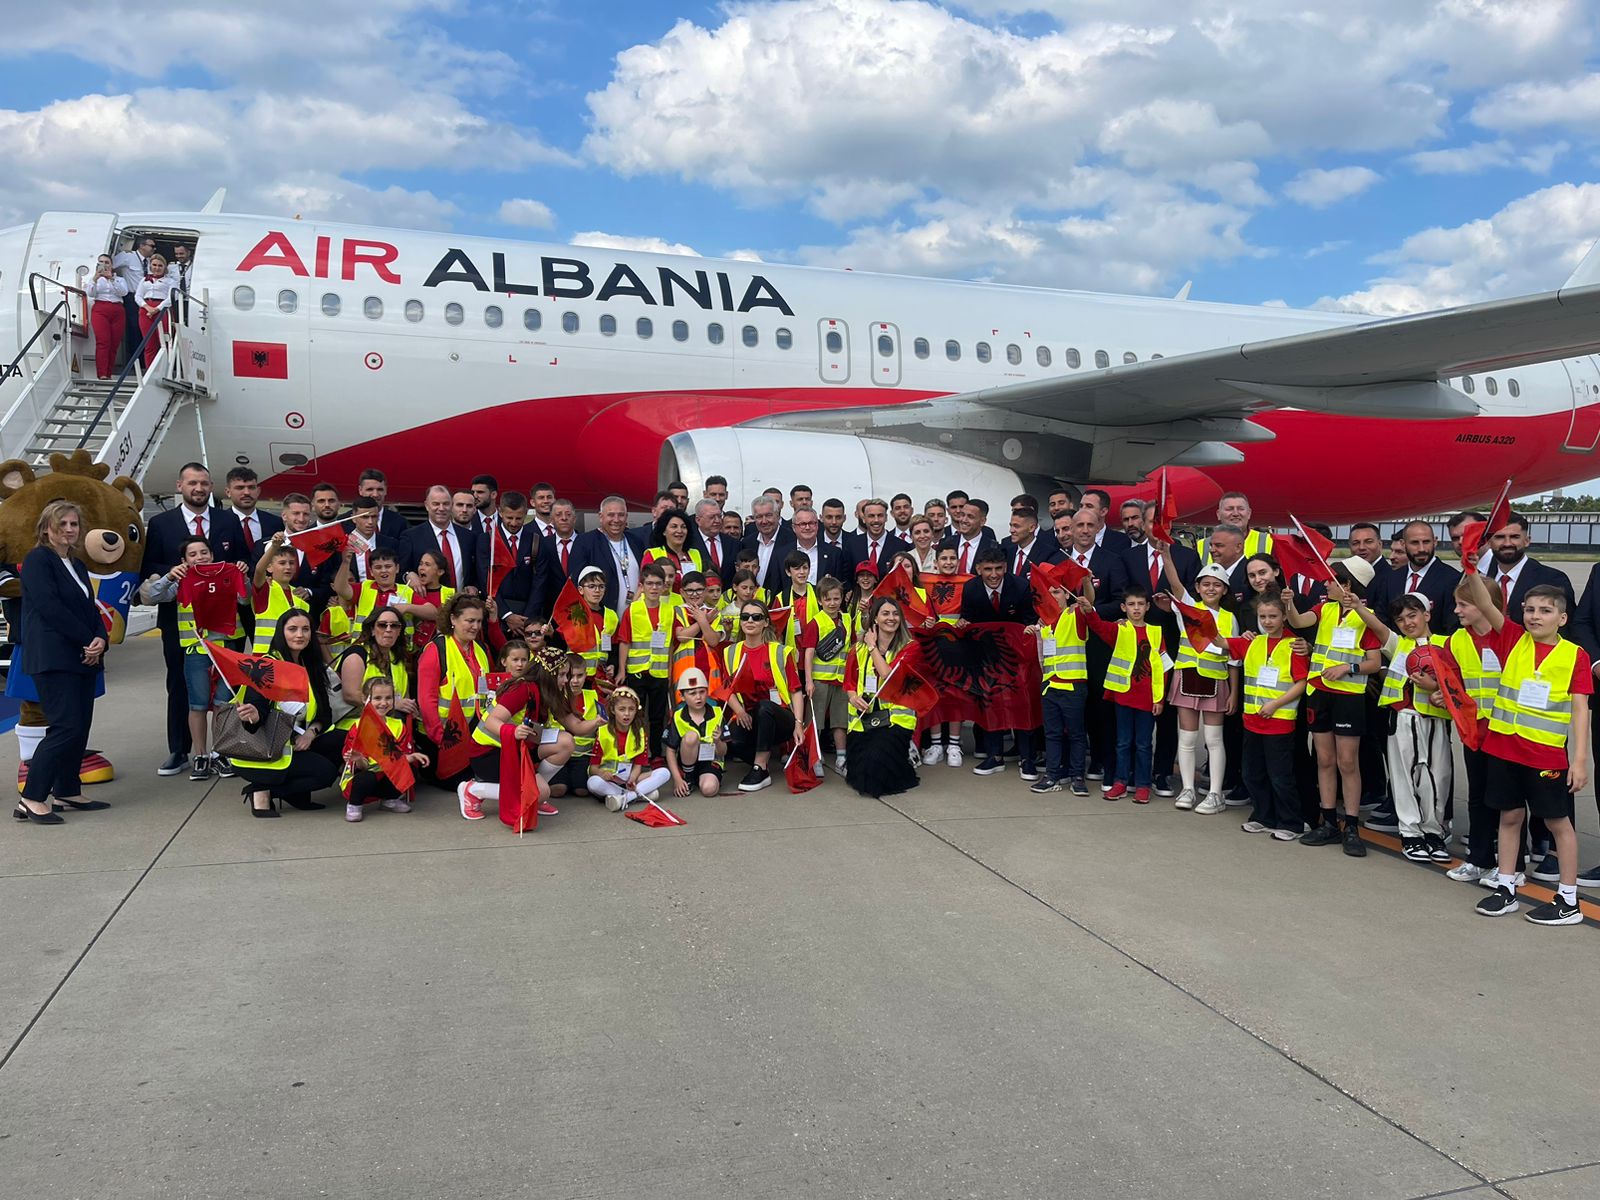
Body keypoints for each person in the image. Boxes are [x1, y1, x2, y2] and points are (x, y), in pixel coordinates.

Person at [1465, 572, 1591, 924]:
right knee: (1509, 816)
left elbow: (1580, 710)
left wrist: (1579, 761)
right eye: (1530, 609)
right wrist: (1472, 570)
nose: (1535, 616)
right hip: (1505, 749)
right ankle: (1506, 887)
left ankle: (1568, 900)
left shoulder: (1574, 656)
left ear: (1562, 618)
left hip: (1545, 755)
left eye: (1545, 611)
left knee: (1557, 822)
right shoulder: (1513, 638)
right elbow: (1485, 603)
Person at [143, 465, 246, 774]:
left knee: (226, 692)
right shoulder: (161, 523)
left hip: (226, 626)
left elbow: (239, 561)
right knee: (180, 685)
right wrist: (178, 573)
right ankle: (180, 750)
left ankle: (223, 750)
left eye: (203, 482)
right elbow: (149, 565)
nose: (198, 488)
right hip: (183, 626)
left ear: (211, 486)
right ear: (180, 485)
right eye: (192, 482)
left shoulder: (228, 519)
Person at [13, 502, 109, 825]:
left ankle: (67, 788)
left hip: (81, 655)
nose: (70, 529)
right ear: (46, 529)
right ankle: (32, 796)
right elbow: (49, 607)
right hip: (54, 656)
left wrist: (101, 638)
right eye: (62, 524)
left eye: (74, 524)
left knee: (79, 725)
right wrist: (87, 639)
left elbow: (89, 607)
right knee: (65, 726)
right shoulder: (38, 560)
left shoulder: (76, 564)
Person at [1286, 559, 1384, 855]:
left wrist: (1347, 667)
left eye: (1331, 580)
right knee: (1325, 761)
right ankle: (1328, 822)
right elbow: (1298, 622)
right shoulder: (1324, 609)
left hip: (1349, 697)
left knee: (1347, 762)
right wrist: (1288, 604)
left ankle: (1351, 826)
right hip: (1319, 693)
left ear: (1347, 585)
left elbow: (1374, 663)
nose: (1325, 584)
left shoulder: (1366, 617)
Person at [1349, 590, 1455, 862]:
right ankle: (1410, 834)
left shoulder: (1447, 644)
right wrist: (1356, 606)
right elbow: (1377, 627)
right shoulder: (1398, 644)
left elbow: (1457, 682)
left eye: (1413, 615)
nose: (1408, 622)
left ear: (1426, 614)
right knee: (1403, 777)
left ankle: (1434, 832)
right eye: (1401, 619)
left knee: (1436, 778)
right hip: (1402, 718)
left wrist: (1438, 688)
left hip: (1433, 720)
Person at [1445, 576, 1520, 887]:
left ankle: (1511, 867)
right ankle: (1478, 858)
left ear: (1482, 605)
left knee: (1506, 801)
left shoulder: (1511, 637)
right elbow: (1453, 683)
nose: (1456, 611)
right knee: (1477, 796)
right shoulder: (1457, 640)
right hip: (1474, 732)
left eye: (1463, 604)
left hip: (1506, 732)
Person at [1156, 550, 1241, 815]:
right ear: (1197, 587)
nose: (1211, 589)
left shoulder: (1230, 619)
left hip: (1216, 682)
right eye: (1206, 584)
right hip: (1186, 679)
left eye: (1217, 585)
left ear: (1224, 589)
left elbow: (1234, 659)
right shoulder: (1188, 609)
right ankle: (1188, 788)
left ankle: (1215, 793)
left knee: (1214, 739)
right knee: (1188, 737)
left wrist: (1234, 693)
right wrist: (1167, 556)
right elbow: (1175, 585)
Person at [230, 610, 338, 817]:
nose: (300, 635)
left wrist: (311, 733)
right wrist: (252, 715)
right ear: (281, 633)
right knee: (325, 773)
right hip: (266, 748)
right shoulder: (267, 667)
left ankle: (297, 794)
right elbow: (255, 718)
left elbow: (325, 714)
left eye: (305, 629)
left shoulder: (310, 665)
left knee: (340, 741)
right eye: (292, 629)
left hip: (297, 740)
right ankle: (262, 791)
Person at [1232, 592, 1309, 839]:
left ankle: (1291, 823)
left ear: (1284, 616)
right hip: (1252, 720)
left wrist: (1276, 704)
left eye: (1273, 616)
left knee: (1280, 776)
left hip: (1278, 723)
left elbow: (1301, 682)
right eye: (1262, 616)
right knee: (1253, 773)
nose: (1267, 621)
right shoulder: (1253, 642)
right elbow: (1218, 641)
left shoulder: (1293, 645)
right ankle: (1263, 816)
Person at [1079, 585, 1165, 802]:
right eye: (1131, 604)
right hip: (1123, 696)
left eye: (1140, 604)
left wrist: (1159, 699)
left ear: (1147, 607)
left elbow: (1163, 668)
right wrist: (1089, 610)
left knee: (1144, 744)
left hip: (1147, 699)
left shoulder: (1156, 632)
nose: (1136, 609)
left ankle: (1143, 784)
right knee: (1123, 742)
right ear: (1123, 607)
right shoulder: (1119, 630)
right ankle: (1120, 782)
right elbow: (1097, 626)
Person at [470, 649, 577, 820]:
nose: (566, 680)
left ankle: (534, 790)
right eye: (562, 675)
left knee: (566, 742)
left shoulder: (548, 690)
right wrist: (513, 731)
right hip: (489, 753)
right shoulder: (521, 689)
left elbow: (575, 726)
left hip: (520, 748)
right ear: (549, 673)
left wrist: (598, 721)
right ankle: (472, 790)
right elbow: (492, 721)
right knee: (540, 792)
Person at [960, 546, 1038, 778]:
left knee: (1022, 705)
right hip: (986, 659)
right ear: (978, 570)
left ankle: (1027, 758)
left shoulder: (1021, 587)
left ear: (1005, 567)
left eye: (998, 569)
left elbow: (1029, 621)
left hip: (1018, 657)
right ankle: (995, 757)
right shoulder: (971, 588)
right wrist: (964, 623)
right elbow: (968, 617)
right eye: (988, 570)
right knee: (990, 704)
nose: (993, 574)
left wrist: (1029, 630)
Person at [721, 599, 805, 792]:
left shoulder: (780, 651)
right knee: (732, 740)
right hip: (748, 716)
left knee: (765, 706)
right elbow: (728, 689)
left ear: (766, 622)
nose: (750, 621)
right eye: (745, 617)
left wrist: (798, 724)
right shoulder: (730, 652)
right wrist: (740, 711)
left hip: (779, 716)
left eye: (756, 617)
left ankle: (761, 768)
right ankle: (764, 756)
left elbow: (796, 690)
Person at [417, 595, 493, 801]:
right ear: (453, 619)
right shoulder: (436, 650)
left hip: (474, 732)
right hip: (443, 737)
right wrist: (440, 737)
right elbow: (426, 699)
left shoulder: (482, 649)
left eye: (478, 621)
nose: (475, 626)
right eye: (470, 621)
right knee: (462, 781)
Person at [843, 596, 920, 798]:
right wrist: (852, 697)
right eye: (885, 613)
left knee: (875, 767)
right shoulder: (857, 649)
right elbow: (849, 682)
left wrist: (872, 647)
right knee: (858, 774)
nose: (891, 618)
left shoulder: (910, 647)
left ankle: (906, 754)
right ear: (875, 618)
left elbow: (887, 675)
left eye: (895, 614)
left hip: (895, 721)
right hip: (863, 720)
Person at [338, 676, 429, 822]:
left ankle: (389, 799)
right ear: (365, 699)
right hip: (363, 778)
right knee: (366, 778)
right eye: (377, 698)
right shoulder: (358, 727)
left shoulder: (398, 725)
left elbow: (398, 758)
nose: (383, 703)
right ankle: (354, 805)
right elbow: (359, 768)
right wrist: (359, 759)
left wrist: (411, 757)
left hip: (386, 774)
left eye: (388, 698)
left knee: (410, 768)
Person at [1032, 576, 1091, 797]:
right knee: (1053, 734)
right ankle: (1052, 775)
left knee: (1076, 735)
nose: (1053, 597)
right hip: (1050, 686)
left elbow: (1088, 604)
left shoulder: (1074, 614)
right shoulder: (1044, 621)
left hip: (1073, 687)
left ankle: (1077, 776)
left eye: (1057, 592)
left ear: (1068, 595)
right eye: (1049, 593)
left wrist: (1085, 583)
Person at [618, 562, 676, 759]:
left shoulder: (669, 611)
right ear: (642, 585)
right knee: (635, 714)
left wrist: (669, 671)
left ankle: (656, 754)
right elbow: (625, 642)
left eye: (658, 584)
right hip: (636, 670)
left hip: (659, 672)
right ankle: (638, 752)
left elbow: (669, 645)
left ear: (664, 586)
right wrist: (621, 670)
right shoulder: (632, 610)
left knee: (657, 716)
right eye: (649, 584)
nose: (654, 588)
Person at [588, 686, 671, 809]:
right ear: (613, 710)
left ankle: (624, 798)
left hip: (630, 779)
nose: (627, 714)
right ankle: (638, 795)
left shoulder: (640, 733)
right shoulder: (603, 732)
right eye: (622, 709)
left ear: (636, 711)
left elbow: (638, 767)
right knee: (593, 783)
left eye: (631, 709)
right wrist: (602, 773)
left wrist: (631, 780)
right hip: (609, 780)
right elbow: (592, 768)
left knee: (664, 773)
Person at [336, 607, 415, 734]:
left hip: (390, 724)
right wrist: (392, 704)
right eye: (382, 625)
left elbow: (405, 698)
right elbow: (350, 695)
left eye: (394, 626)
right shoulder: (357, 654)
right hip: (354, 726)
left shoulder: (399, 659)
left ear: (399, 631)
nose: (388, 630)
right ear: (372, 630)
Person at [804, 576, 854, 773]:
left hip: (842, 680)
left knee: (840, 720)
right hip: (820, 680)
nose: (832, 603)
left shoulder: (847, 620)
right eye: (828, 599)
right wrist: (809, 680)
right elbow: (808, 652)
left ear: (842, 598)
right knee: (815, 720)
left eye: (836, 598)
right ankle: (815, 756)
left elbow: (852, 648)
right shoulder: (816, 622)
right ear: (819, 600)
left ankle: (841, 757)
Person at [568, 495, 641, 614]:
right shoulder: (585, 542)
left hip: (635, 617)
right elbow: (574, 581)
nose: (616, 520)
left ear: (626, 517)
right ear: (601, 517)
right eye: (611, 515)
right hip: (601, 617)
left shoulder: (636, 541)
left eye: (621, 515)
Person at [663, 668, 728, 798]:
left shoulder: (717, 713)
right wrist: (677, 780)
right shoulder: (678, 716)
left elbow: (723, 752)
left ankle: (703, 779)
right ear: (682, 696)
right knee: (691, 736)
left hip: (710, 760)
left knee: (709, 790)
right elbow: (670, 751)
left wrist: (717, 741)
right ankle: (688, 778)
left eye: (702, 692)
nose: (698, 697)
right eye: (692, 693)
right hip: (687, 762)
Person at [403, 485, 475, 591]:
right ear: (427, 505)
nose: (441, 508)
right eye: (436, 504)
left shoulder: (468, 537)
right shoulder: (411, 537)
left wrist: (474, 586)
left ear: (451, 505)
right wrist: (408, 575)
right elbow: (401, 570)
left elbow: (475, 571)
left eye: (446, 504)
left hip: (462, 603)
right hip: (428, 603)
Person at [225, 467, 283, 570]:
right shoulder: (220, 523)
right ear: (228, 492)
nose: (247, 492)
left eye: (251, 487)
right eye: (240, 488)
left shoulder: (275, 523)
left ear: (258, 490)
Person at [572, 566, 620, 681]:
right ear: (580, 590)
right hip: (577, 677)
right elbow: (561, 642)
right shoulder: (573, 613)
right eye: (592, 586)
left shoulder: (611, 615)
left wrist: (612, 665)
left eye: (601, 587)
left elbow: (614, 648)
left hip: (601, 678)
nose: (597, 590)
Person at [112, 234, 155, 361]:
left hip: (147, 299)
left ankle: (146, 359)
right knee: (134, 328)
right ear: (141, 246)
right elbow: (110, 266)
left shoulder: (151, 262)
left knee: (147, 328)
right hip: (132, 297)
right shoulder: (128, 256)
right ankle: (136, 359)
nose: (154, 249)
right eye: (151, 246)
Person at [84, 253, 128, 379]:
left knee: (114, 343)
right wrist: (95, 279)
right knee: (103, 341)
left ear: (112, 265)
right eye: (101, 262)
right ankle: (102, 373)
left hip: (117, 309)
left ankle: (109, 372)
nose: (104, 265)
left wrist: (112, 279)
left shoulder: (119, 279)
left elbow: (123, 292)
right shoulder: (95, 280)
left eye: (107, 262)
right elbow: (91, 293)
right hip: (100, 309)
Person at [845, 498, 911, 577]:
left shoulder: (901, 546)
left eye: (880, 515)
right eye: (871, 516)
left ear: (886, 518)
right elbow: (846, 577)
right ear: (864, 519)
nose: (876, 520)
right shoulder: (852, 545)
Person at [1197, 493, 1273, 560]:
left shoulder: (1270, 542)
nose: (1235, 513)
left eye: (1240, 509)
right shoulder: (1202, 546)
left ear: (1249, 513)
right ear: (1218, 514)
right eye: (1229, 509)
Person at [133, 253, 178, 368]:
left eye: (160, 265)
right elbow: (138, 296)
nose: (156, 268)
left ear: (164, 267)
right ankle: (150, 370)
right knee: (149, 342)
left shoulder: (170, 281)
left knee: (165, 341)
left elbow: (172, 297)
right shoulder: (144, 280)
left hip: (162, 310)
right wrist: (147, 307)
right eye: (154, 265)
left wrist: (157, 309)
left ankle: (165, 370)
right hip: (146, 310)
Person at [643, 509, 705, 584]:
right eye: (674, 526)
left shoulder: (695, 553)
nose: (679, 531)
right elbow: (644, 585)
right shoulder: (652, 554)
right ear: (664, 531)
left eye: (683, 527)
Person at [355, 468, 410, 542]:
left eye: (380, 489)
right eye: (370, 489)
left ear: (386, 490)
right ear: (360, 490)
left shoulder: (400, 522)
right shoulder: (344, 522)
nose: (375, 494)